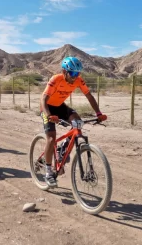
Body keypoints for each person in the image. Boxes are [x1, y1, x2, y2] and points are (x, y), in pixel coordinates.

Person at [40, 57, 107, 188]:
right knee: (51, 138)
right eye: (73, 73)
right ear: (64, 72)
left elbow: (89, 96)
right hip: (47, 107)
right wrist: (49, 115)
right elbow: (44, 98)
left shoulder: (78, 80)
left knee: (78, 122)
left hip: (60, 106)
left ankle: (61, 150)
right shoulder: (55, 79)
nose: (75, 76)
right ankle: (48, 172)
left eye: (78, 73)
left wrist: (98, 113)